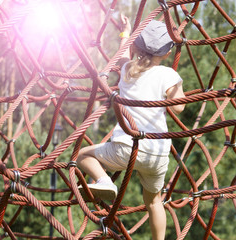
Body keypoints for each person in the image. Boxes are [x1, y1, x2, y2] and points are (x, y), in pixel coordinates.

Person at [76, 15, 185, 240]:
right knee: (155, 202)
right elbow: (180, 107)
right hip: (158, 155)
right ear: (166, 53)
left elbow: (123, 56)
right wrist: (177, 86)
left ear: (137, 47)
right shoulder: (168, 74)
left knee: (82, 155)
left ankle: (103, 180)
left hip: (126, 149)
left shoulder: (127, 70)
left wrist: (125, 33)